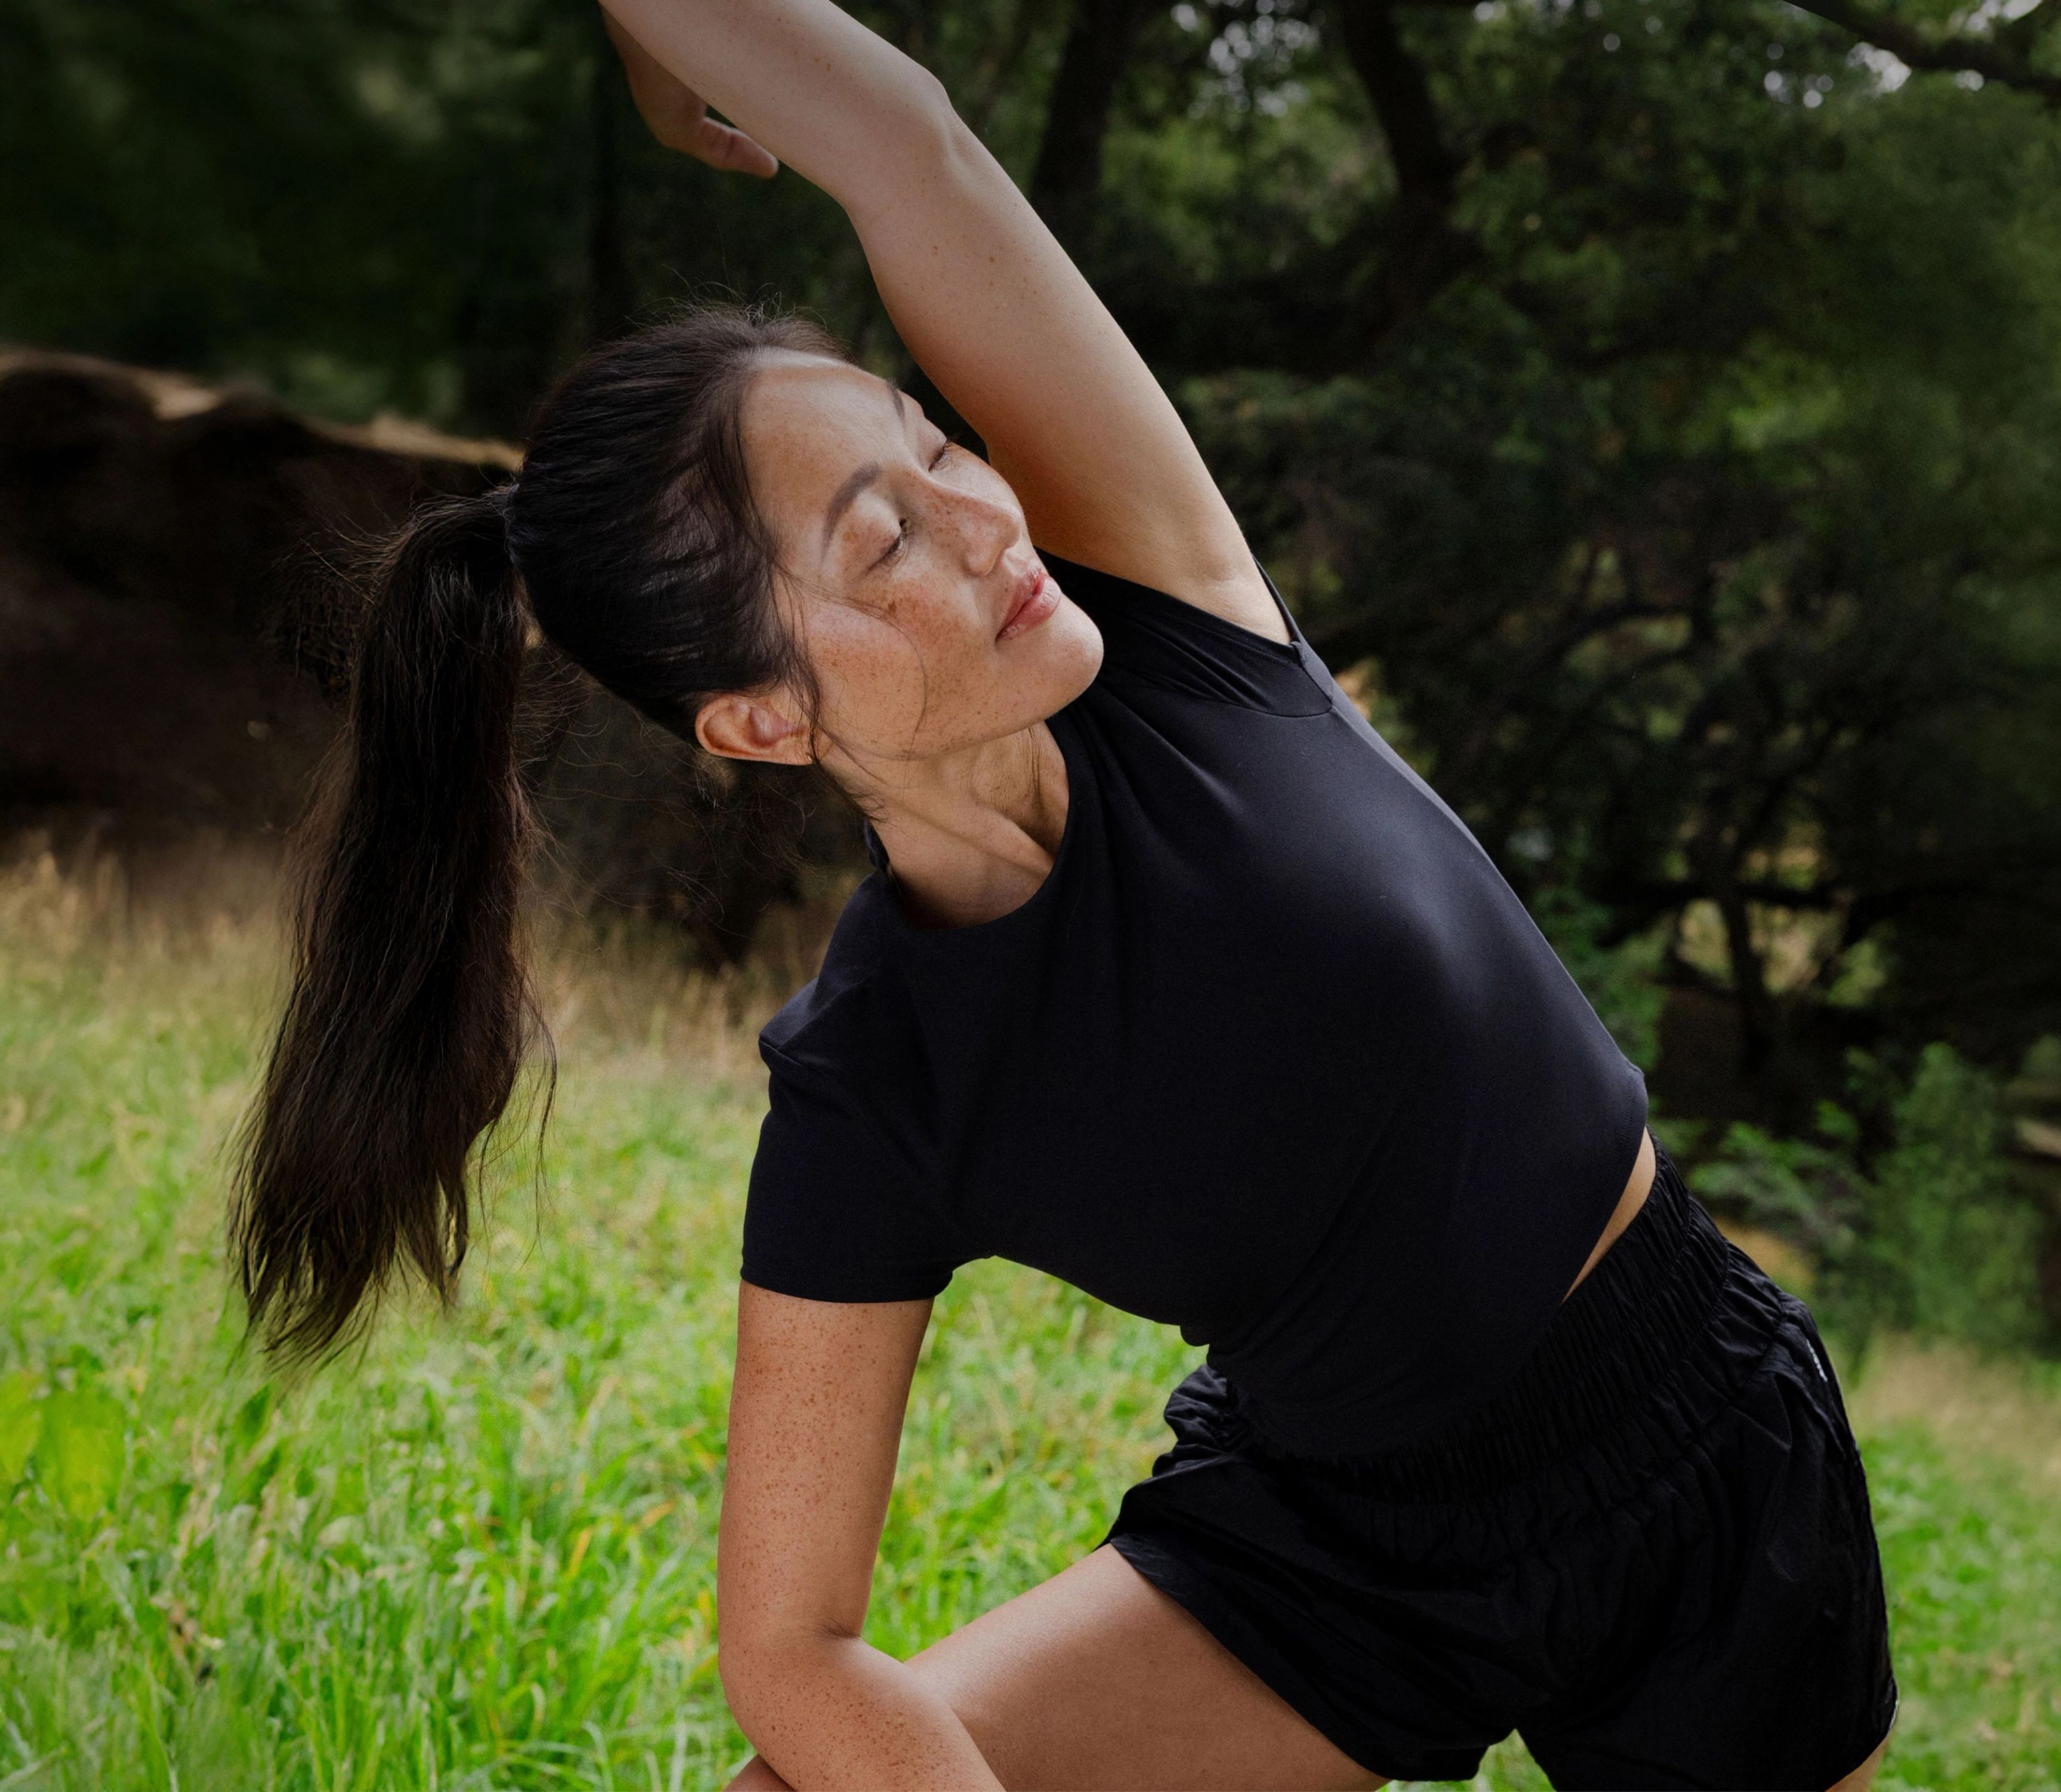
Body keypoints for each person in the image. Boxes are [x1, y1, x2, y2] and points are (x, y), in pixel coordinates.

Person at [233, 0, 1898, 1784]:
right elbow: (791, 1647)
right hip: (1336, 1553)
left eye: (941, 445)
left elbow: (904, 144)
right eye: (885, 539)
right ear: (758, 717)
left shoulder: (1165, 605)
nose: (989, 518)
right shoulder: (879, 1079)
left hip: (1683, 1439)